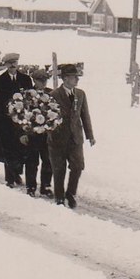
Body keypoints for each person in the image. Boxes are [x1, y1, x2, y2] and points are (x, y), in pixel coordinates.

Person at [48, 63, 96, 208]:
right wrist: (51, 133)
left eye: (77, 77)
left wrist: (90, 135)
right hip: (58, 138)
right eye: (74, 77)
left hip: (75, 138)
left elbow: (85, 115)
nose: (77, 79)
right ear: (65, 78)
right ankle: (59, 197)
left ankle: (71, 193)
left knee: (78, 166)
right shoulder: (54, 95)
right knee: (59, 169)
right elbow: (48, 117)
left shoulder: (80, 94)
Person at [0, 52, 33, 187]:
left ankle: (16, 173)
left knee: (21, 148)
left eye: (14, 63)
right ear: (5, 65)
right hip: (6, 121)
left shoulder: (25, 79)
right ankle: (10, 179)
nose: (12, 65)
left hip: (22, 120)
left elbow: (30, 98)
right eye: (9, 63)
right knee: (8, 148)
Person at [20, 68, 54, 197]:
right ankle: (31, 186)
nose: (43, 83)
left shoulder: (51, 94)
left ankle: (45, 186)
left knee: (48, 160)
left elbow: (55, 111)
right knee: (32, 161)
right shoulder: (27, 95)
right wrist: (23, 133)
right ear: (34, 80)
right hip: (32, 134)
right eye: (40, 80)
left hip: (47, 134)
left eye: (45, 80)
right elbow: (20, 114)